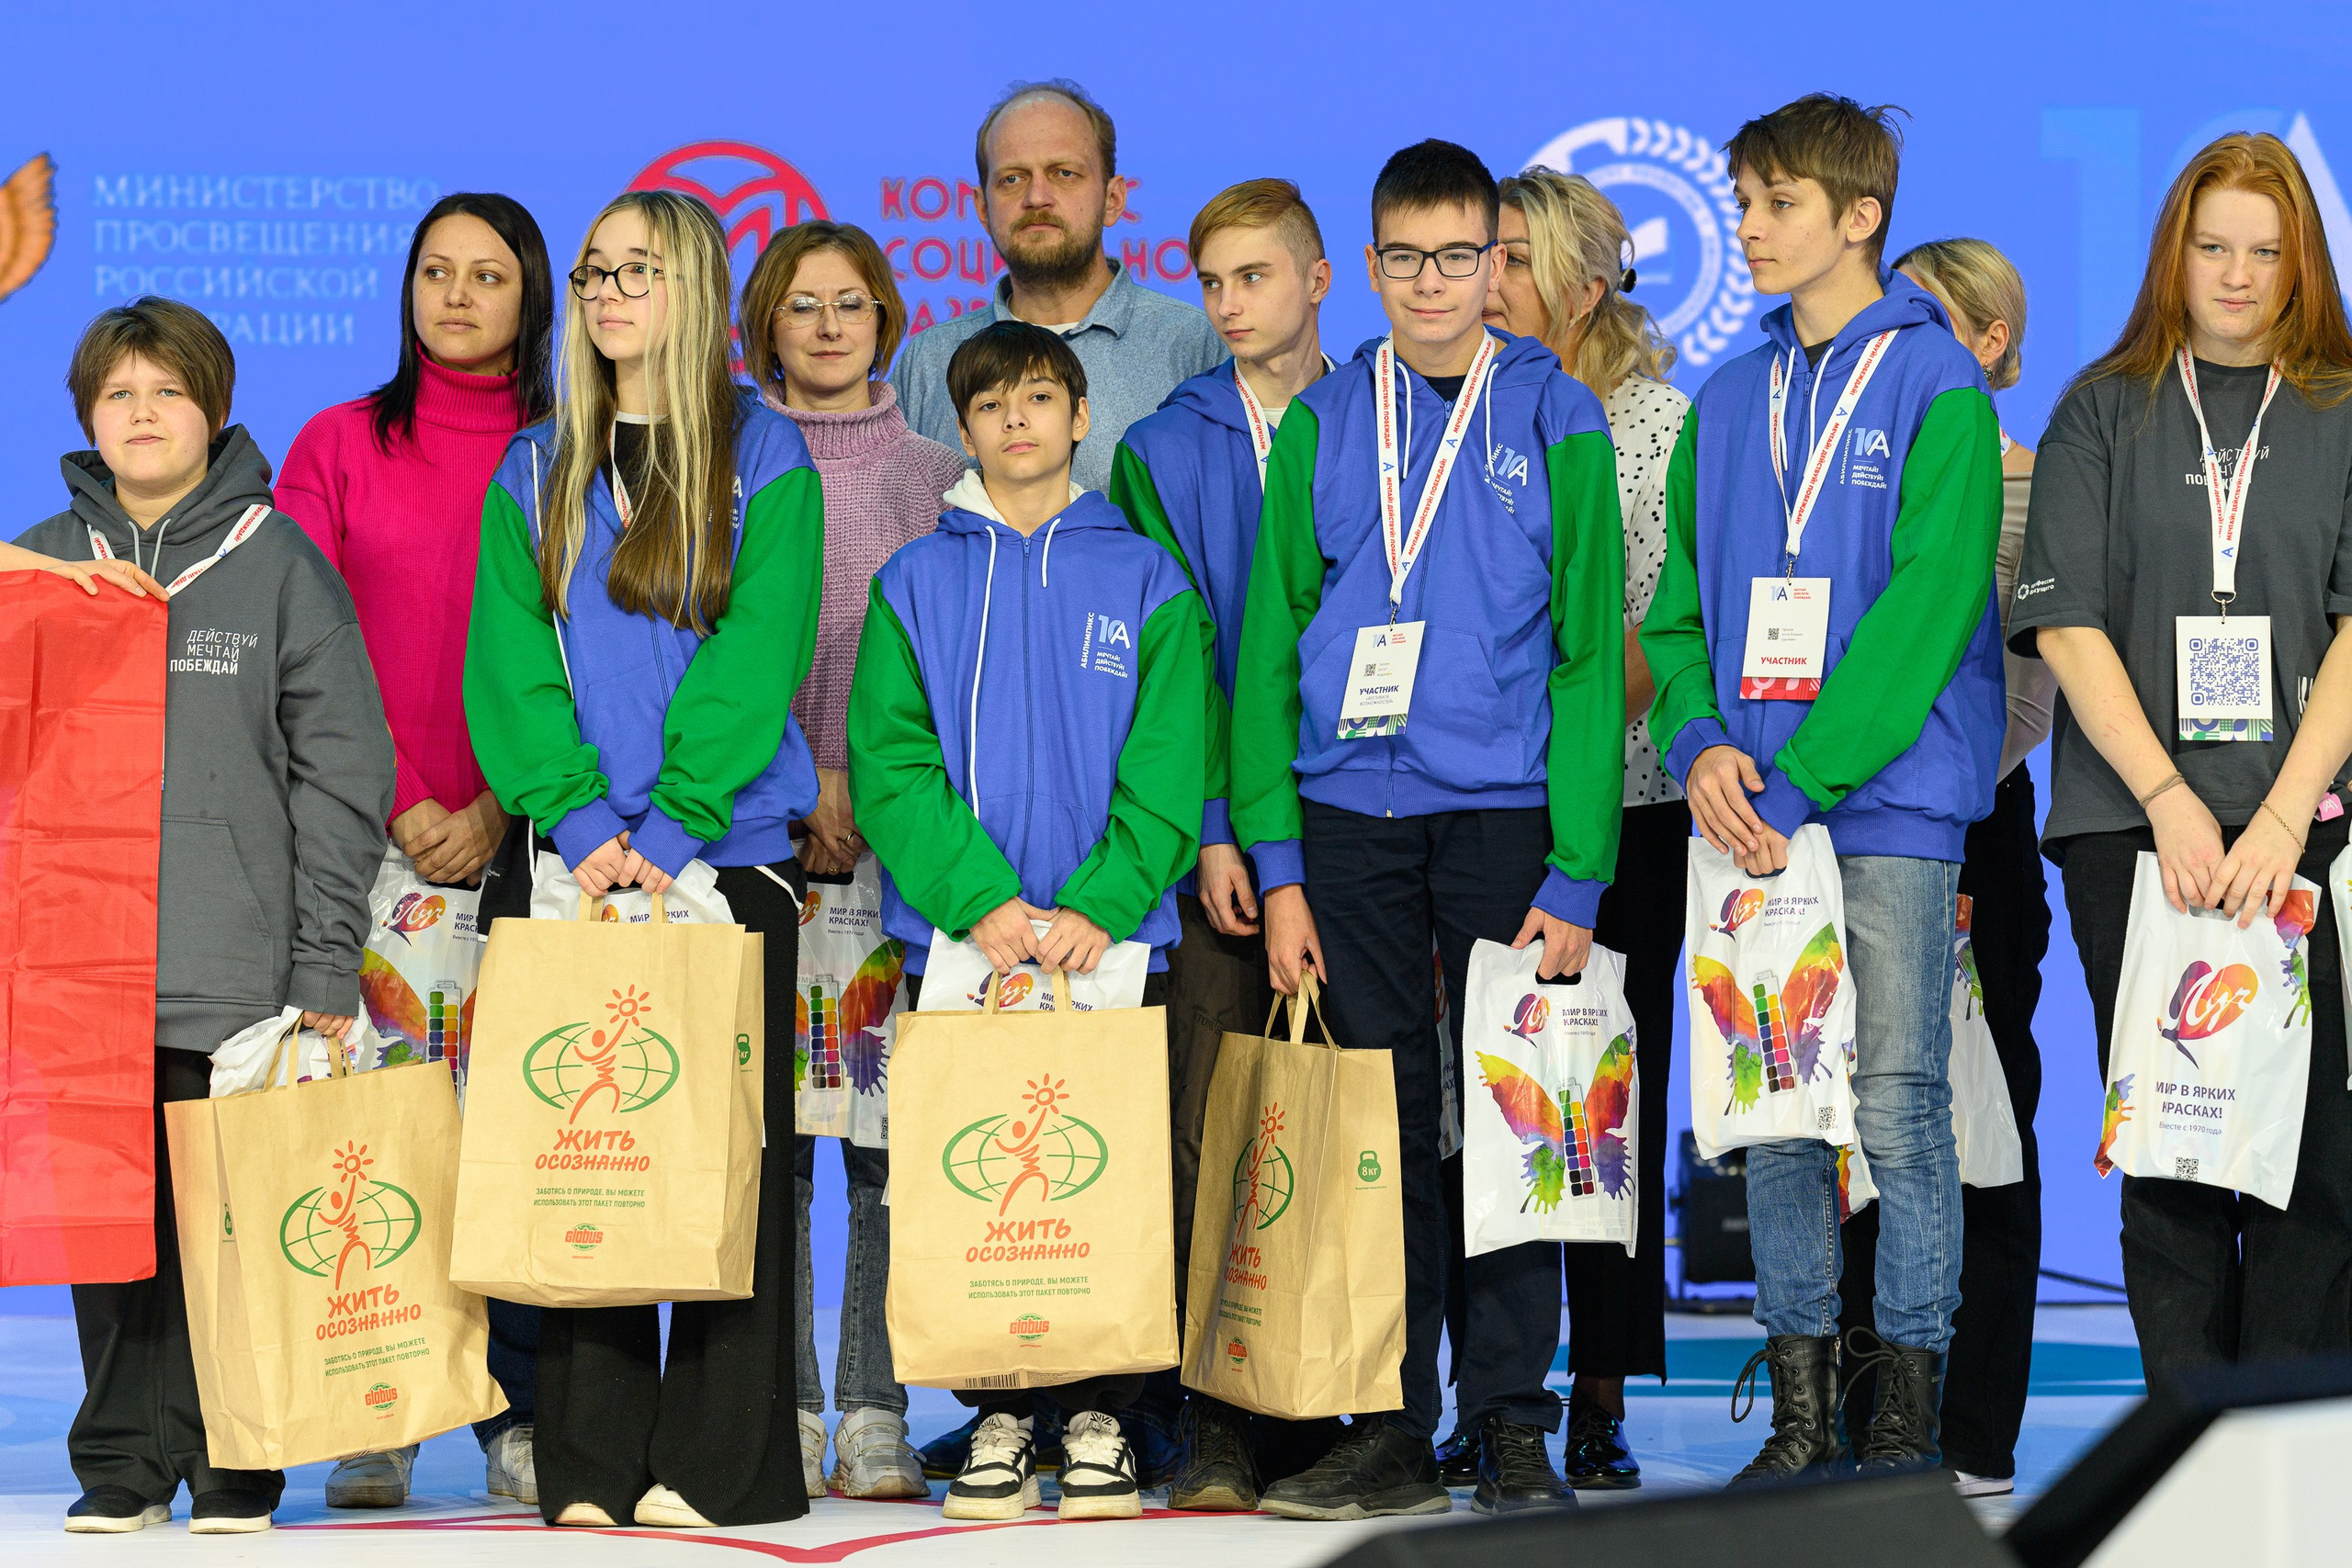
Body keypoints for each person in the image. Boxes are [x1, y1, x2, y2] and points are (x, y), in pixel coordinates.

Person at [1232, 139, 1625, 1519]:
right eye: (1405, 257)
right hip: (1346, 819)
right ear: (1374, 262)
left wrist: (1582, 865)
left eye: (1462, 255)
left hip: (1506, 817)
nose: (1434, 284)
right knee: (1383, 1128)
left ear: (1495, 259)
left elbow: (1588, 654)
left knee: (1514, 1125)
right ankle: (1396, 1422)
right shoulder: (1327, 422)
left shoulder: (1555, 415)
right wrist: (1278, 866)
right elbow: (1270, 645)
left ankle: (1511, 1417)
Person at [1640, 94, 2006, 1483]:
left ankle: (1901, 1420)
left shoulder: (1937, 388)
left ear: (1860, 218)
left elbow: (1924, 616)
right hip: (1747, 808)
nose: (1748, 228)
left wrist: (1797, 776)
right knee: (1772, 1105)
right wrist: (1698, 746)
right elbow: (1673, 614)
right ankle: (1800, 1420)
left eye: (1776, 203)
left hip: (1888, 802)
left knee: (1902, 1103)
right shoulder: (1726, 398)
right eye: (1741, 202)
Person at [462, 189, 823, 1529]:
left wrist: (665, 831)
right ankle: (595, 1463)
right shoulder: (538, 463)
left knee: (727, 1158)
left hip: (716, 859)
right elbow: (506, 660)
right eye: (598, 271)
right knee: (593, 1154)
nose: (610, 293)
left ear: (695, 290)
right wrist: (576, 820)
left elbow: (758, 652)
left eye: (640, 271)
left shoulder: (763, 450)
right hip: (580, 863)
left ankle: (720, 1458)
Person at [17, 298, 394, 1536]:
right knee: (111, 1235)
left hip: (236, 961)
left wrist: (323, 957)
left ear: (215, 408)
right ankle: (122, 1455)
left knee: (233, 1225)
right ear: (87, 416)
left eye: (165, 392)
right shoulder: (39, 566)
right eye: (118, 394)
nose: (141, 414)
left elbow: (343, 774)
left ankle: (241, 1453)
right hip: (79, 960)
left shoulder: (279, 564)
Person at [848, 319, 1210, 1523]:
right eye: (993, 402)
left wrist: (1102, 901)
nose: (1018, 419)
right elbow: (890, 761)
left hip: (1106, 940)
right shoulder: (917, 580)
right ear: (965, 429)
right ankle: (999, 1407)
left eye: (1040, 397)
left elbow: (1170, 758)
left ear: (1077, 415)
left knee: (1100, 1169)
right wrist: (983, 900)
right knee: (981, 1172)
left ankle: (1099, 1408)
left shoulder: (1146, 574)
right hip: (974, 941)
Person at [2014, 131, 2352, 1376]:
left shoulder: (2341, 409)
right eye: (2214, 245)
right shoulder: (2102, 409)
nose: (2238, 273)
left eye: (2266, 251)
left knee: (2313, 1150)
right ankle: (2190, 1443)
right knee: (2175, 1137)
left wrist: (2277, 818)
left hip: (2310, 830)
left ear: (2301, 261)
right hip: (2130, 827)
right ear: (2176, 249)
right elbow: (2067, 620)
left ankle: (2293, 1441)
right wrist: (2167, 797)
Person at [274, 190, 555, 1514]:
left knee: (525, 1130)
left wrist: (500, 799)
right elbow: (304, 646)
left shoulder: (570, 445)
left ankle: (518, 1410)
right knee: (372, 1139)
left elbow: (591, 652)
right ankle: (370, 1410)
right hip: (363, 837)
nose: (455, 295)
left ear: (531, 294)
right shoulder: (335, 443)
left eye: (486, 275)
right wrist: (401, 799)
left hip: (535, 831)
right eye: (434, 271)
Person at [1430, 165, 1690, 1494]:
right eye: (1486, 258)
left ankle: (1596, 1392)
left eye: (1515, 263)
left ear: (1585, 289)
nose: (1490, 284)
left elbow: (1645, 639)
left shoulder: (1652, 426)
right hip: (1475, 809)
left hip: (1627, 812)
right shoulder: (1453, 413)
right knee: (1486, 1107)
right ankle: (1489, 1388)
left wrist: (1529, 708)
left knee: (1599, 1114)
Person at [1103, 176, 1331, 1510]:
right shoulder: (1164, 445)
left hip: (1367, 816)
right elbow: (1171, 661)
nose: (1232, 304)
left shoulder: (1388, 414)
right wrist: (1207, 825)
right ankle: (1216, 1409)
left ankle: (1345, 1387)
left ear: (1318, 279)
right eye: (1211, 282)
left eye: (1256, 276)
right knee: (1212, 1116)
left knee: (1358, 1111)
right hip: (1229, 844)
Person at [737, 217, 964, 1502]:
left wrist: (867, 787)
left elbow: (953, 669)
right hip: (760, 840)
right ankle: (782, 1396)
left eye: (852, 304)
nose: (828, 326)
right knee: (771, 1145)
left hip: (898, 849)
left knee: (882, 1148)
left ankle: (876, 1402)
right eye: (802, 305)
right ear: (764, 323)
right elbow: (712, 647)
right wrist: (799, 780)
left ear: (885, 320)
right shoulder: (724, 466)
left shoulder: (941, 474)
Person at [1837, 236, 2051, 1498]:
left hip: (1976, 823)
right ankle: (1867, 1406)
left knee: (1982, 1125)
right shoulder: (1857, 479)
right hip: (1853, 813)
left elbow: (2019, 689)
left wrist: (1952, 800)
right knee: (1859, 1114)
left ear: (1986, 340)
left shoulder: (2024, 482)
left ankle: (1969, 1419)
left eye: (1925, 323)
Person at [891, 78, 1226, 493]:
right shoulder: (927, 362)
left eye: (1064, 173)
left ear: (1113, 199)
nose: (1037, 197)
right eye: (1012, 179)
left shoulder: (1197, 346)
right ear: (982, 207)